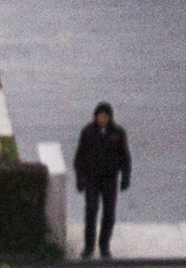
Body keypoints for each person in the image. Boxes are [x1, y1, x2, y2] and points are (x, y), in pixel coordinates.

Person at [74, 100, 133, 255]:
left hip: (109, 180)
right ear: (95, 116)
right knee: (91, 213)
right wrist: (80, 178)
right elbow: (80, 157)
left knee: (108, 214)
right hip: (92, 180)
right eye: (100, 116)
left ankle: (104, 245)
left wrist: (125, 176)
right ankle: (88, 247)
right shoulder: (87, 132)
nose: (103, 119)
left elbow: (124, 157)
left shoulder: (118, 133)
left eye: (105, 116)